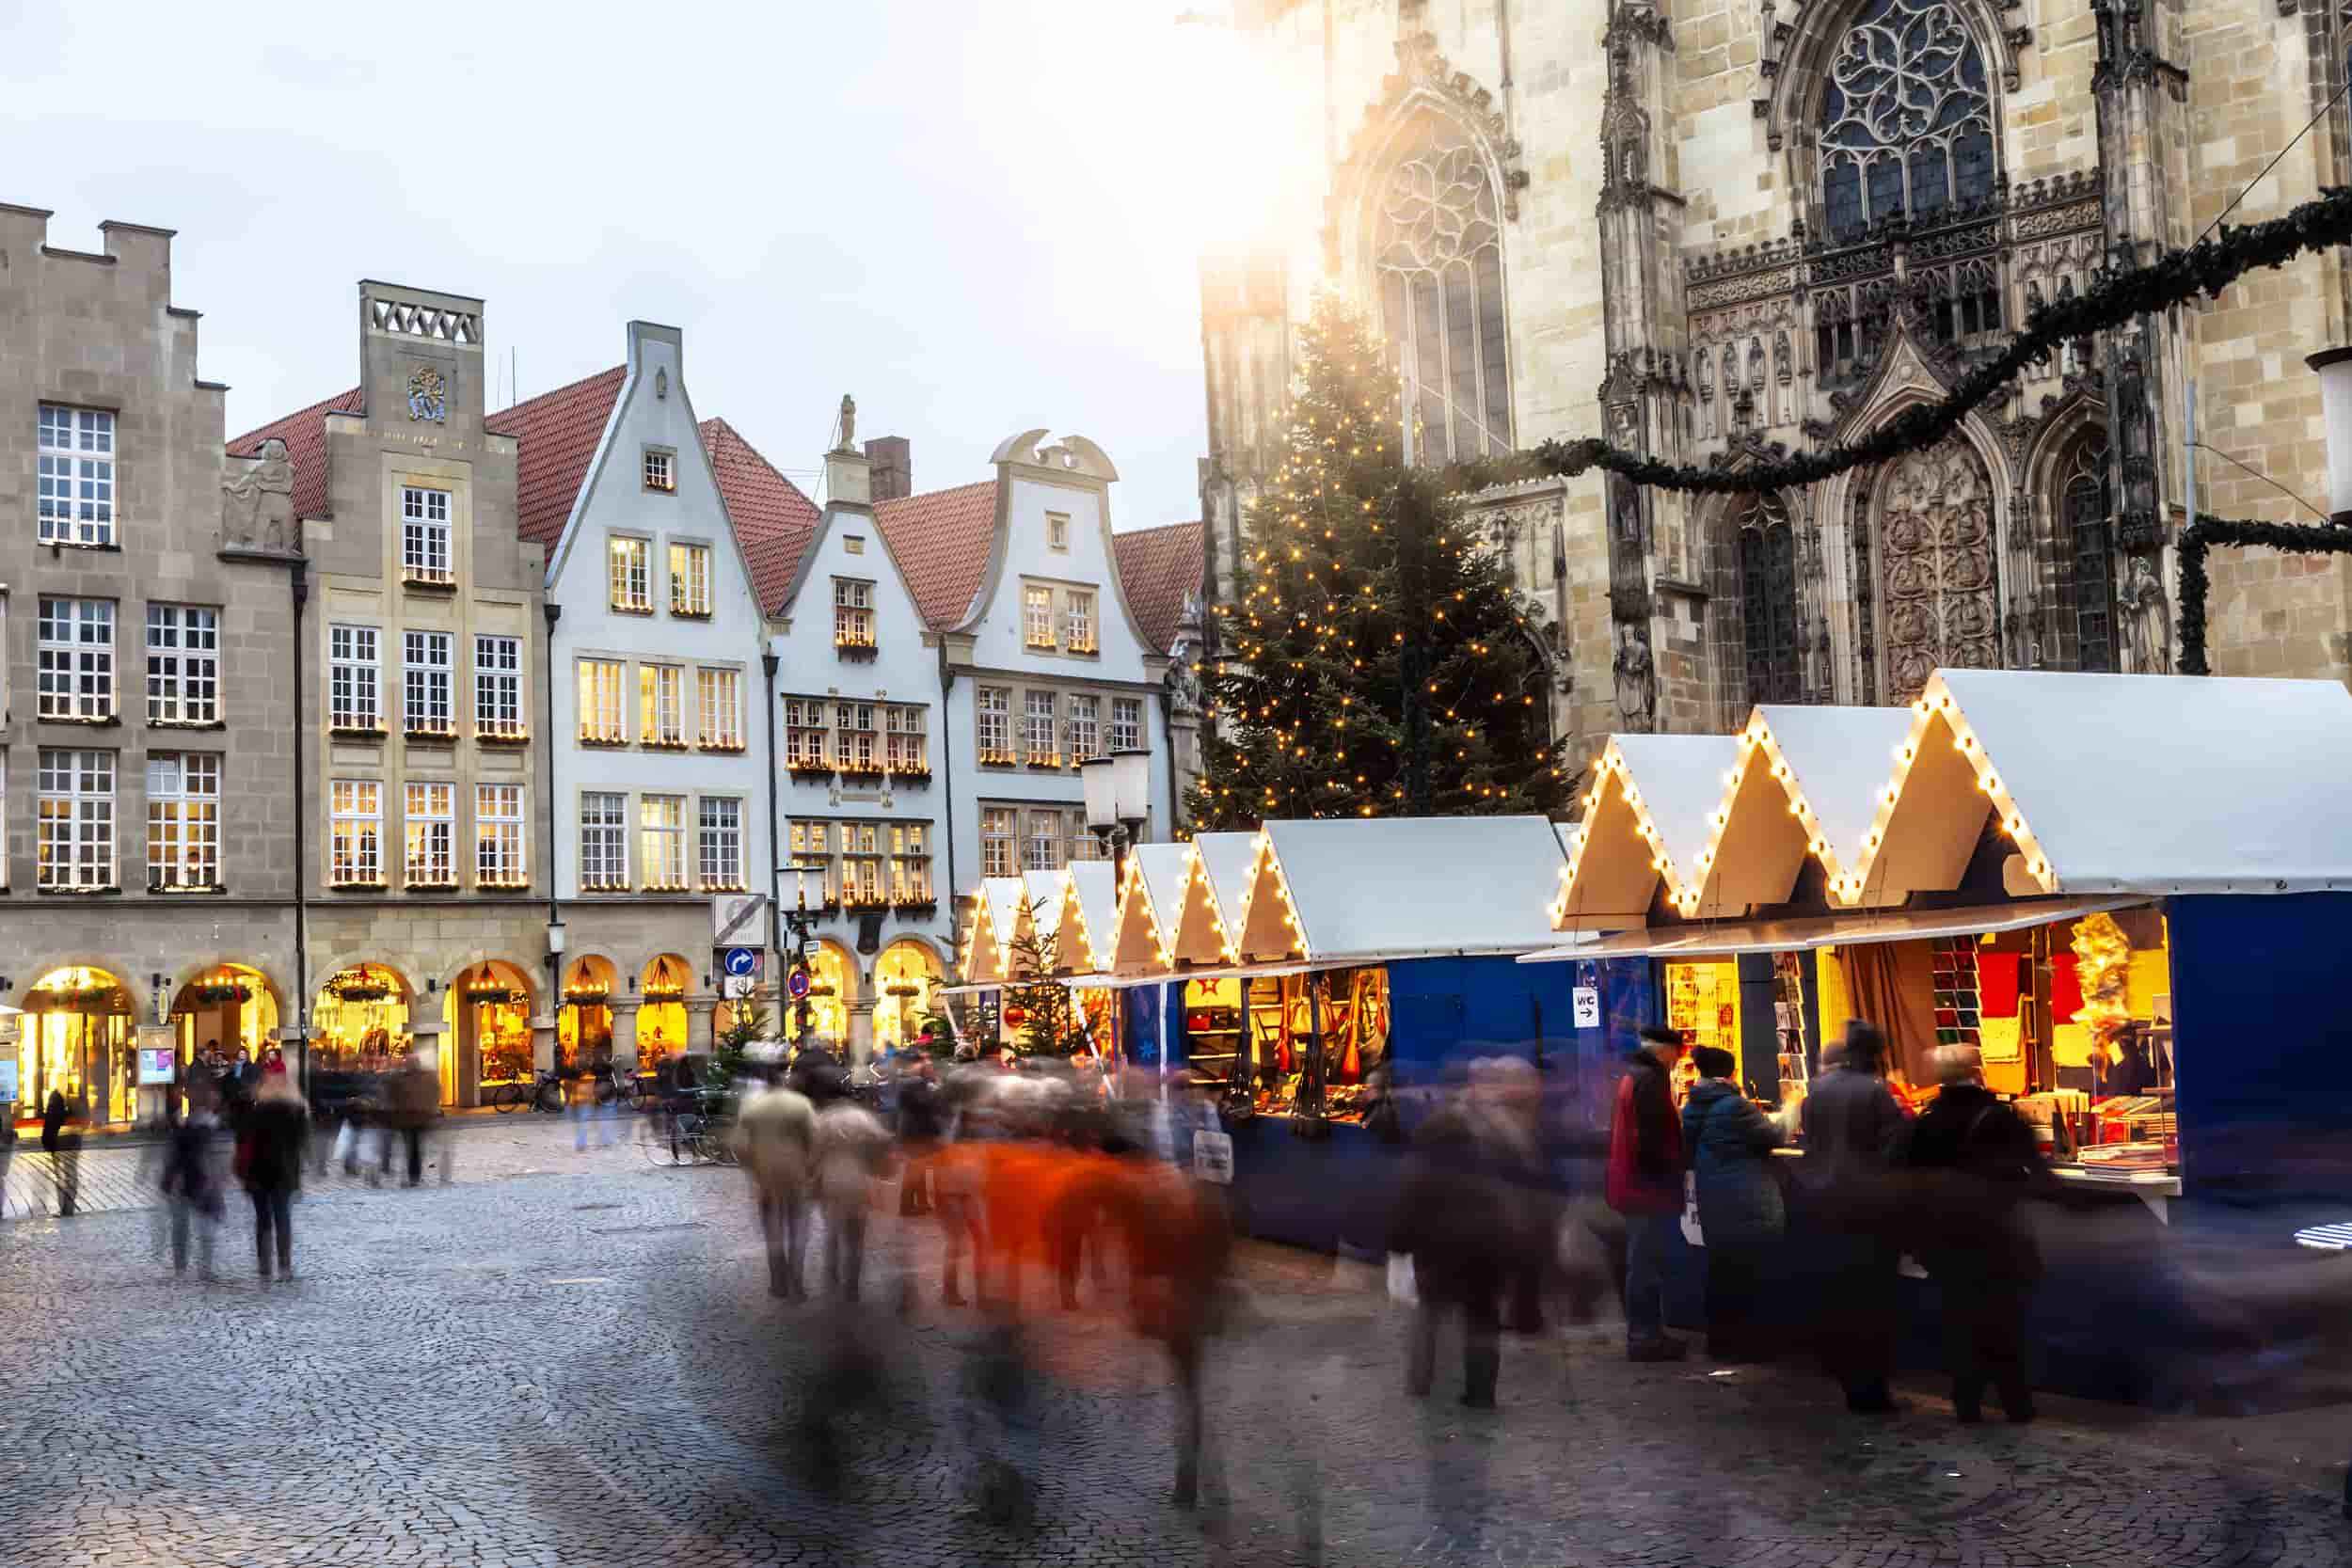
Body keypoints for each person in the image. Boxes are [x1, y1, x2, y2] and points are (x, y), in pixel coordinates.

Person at [1901, 1045, 2045, 1424]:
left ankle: (1966, 1400)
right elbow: (2034, 1171)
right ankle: (2016, 1401)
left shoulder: (1925, 1122)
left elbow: (1908, 1178)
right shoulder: (1999, 1117)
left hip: (1945, 1236)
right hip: (1996, 1233)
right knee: (2004, 1318)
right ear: (1977, 1070)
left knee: (1959, 1318)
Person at [1391, 1061, 1518, 1409]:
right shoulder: (1488, 1145)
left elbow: (1407, 1204)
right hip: (1482, 1249)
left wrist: (1399, 1247)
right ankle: (1480, 1392)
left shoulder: (1427, 1153)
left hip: (1438, 1252)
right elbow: (1504, 1198)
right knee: (1481, 1319)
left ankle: (1423, 1379)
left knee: (1430, 1315)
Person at [1800, 1019, 1910, 1413]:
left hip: (1824, 1206)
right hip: (1868, 1208)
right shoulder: (1876, 1093)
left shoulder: (1818, 1090)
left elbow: (1809, 1143)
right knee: (1873, 1300)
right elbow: (1897, 1147)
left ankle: (1847, 1378)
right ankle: (1870, 1389)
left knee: (1840, 1295)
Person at [1681, 1045, 1787, 1362]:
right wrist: (1792, 1110)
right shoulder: (1734, 1106)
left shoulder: (1693, 1106)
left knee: (1722, 1272)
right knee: (1750, 1275)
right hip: (1745, 1201)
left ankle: (1721, 1342)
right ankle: (1751, 1346)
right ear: (1729, 1073)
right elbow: (1773, 1135)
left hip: (1714, 1199)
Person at [1606, 1024, 1689, 1361]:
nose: (1678, 1061)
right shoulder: (1650, 1080)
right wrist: (1667, 1175)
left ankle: (1647, 1333)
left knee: (1643, 1262)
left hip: (1635, 1184)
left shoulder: (1635, 1075)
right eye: (1677, 1054)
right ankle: (1644, 1337)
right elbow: (1652, 1139)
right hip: (1645, 1188)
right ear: (1665, 1050)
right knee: (1645, 1264)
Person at [732, 1067, 818, 1299]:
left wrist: (752, 1168)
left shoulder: (752, 1107)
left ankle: (778, 1282)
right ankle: (797, 1282)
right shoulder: (800, 1104)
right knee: (798, 1227)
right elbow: (815, 1139)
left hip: (766, 1176)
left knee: (773, 1229)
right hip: (797, 1173)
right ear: (784, 1082)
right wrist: (810, 1167)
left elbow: (740, 1146)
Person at [815, 1083, 892, 1303]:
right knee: (856, 1237)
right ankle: (852, 1286)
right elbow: (884, 1141)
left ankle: (831, 1276)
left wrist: (813, 1181)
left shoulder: (824, 1119)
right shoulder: (862, 1118)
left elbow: (813, 1152)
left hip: (831, 1180)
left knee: (832, 1231)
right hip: (859, 1180)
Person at [238, 1069, 309, 1282]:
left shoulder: (255, 1112)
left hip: (258, 1172)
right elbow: (301, 1143)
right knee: (282, 1218)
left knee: (263, 1219)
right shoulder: (295, 1113)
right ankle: (284, 1265)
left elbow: (243, 1139)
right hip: (283, 1172)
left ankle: (264, 1264)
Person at [160, 1080, 226, 1278]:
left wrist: (169, 1178)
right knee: (203, 1225)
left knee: (182, 1224)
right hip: (200, 1180)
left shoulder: (183, 1123)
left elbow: (174, 1155)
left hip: (185, 1180)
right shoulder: (211, 1126)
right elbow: (211, 1157)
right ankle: (204, 1268)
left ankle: (181, 1266)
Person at [382, 1050, 437, 1186]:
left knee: (414, 1148)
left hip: (419, 1117)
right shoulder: (399, 1078)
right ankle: (410, 1174)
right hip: (405, 1117)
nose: (408, 1065)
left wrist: (430, 1109)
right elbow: (391, 1093)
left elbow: (434, 1093)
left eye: (411, 1062)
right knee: (409, 1147)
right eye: (407, 1062)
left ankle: (413, 1176)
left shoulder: (427, 1077)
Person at [41, 1085, 83, 1218]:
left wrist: (47, 1141)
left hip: (62, 1142)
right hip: (71, 1141)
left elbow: (50, 1123)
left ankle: (66, 1208)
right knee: (69, 1175)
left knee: (63, 1176)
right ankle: (67, 1208)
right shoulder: (73, 1097)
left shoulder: (56, 1098)